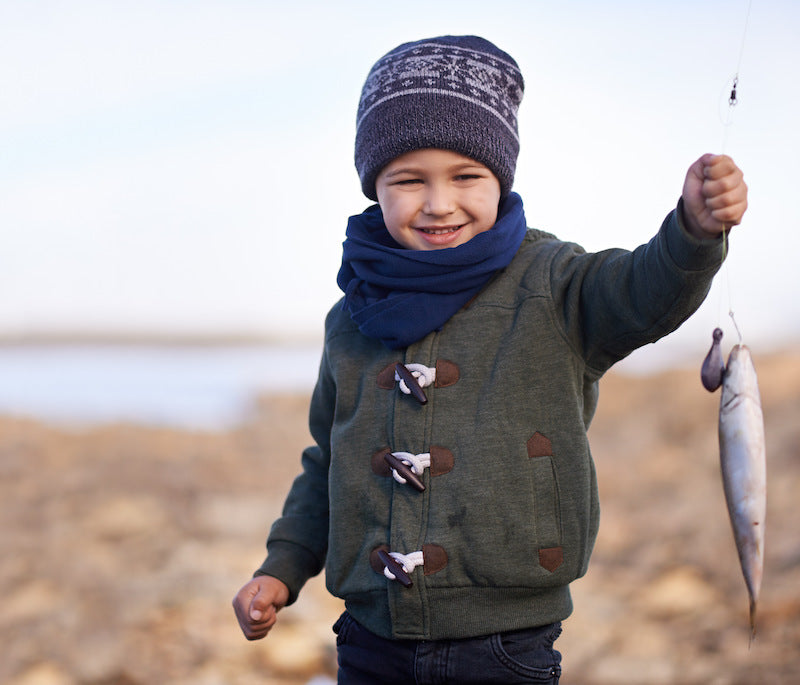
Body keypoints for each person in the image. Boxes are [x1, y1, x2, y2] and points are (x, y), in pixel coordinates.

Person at [233, 35, 748, 684]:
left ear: (500, 178)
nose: (439, 202)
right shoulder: (353, 316)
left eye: (466, 176)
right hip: (369, 638)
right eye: (409, 180)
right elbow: (325, 462)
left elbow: (641, 291)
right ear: (374, 187)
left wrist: (694, 230)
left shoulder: (553, 282)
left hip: (507, 643)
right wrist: (280, 567)